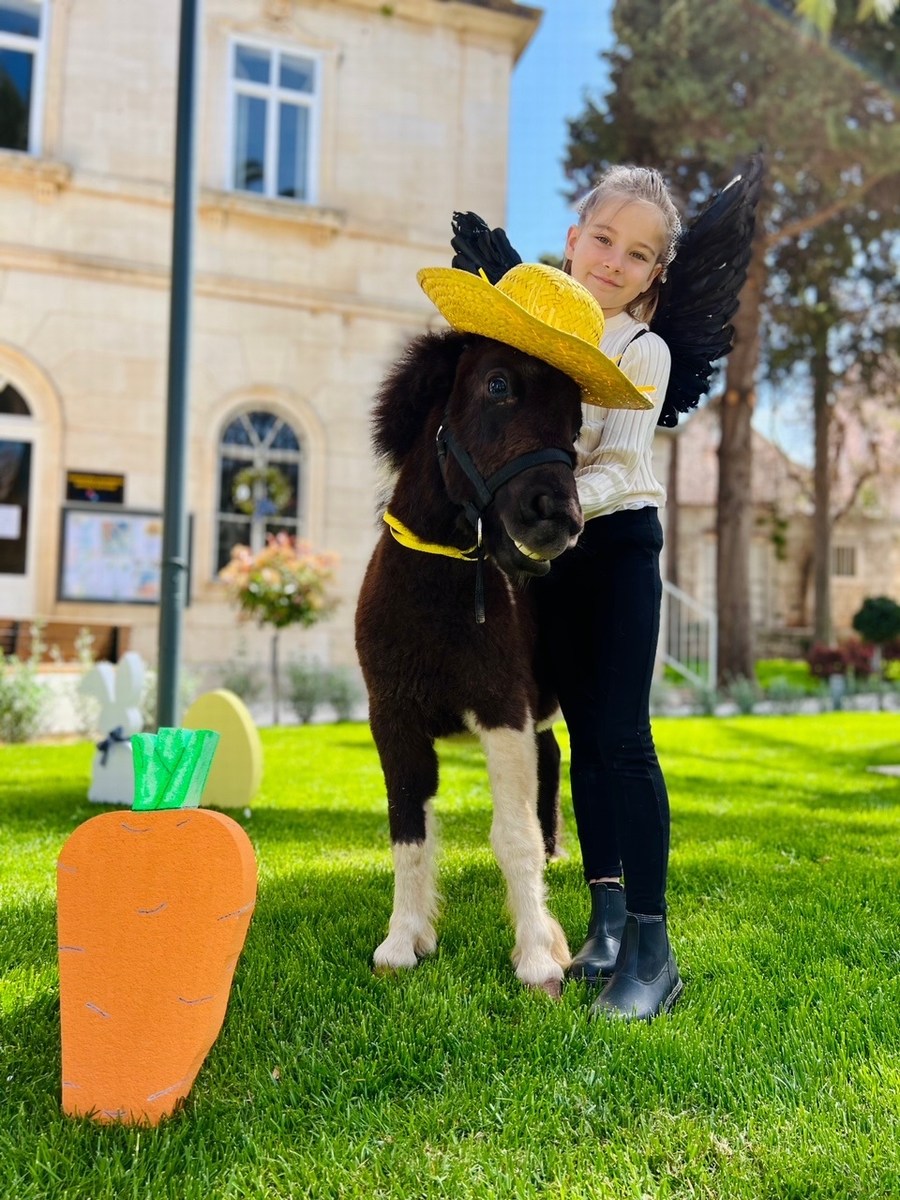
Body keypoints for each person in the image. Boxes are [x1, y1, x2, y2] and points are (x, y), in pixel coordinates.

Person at [536, 165, 684, 1021]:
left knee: (625, 738)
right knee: (584, 738)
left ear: (653, 273)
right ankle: (604, 926)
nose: (615, 262)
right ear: (573, 238)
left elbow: (620, 466)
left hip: (618, 544)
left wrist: (542, 512)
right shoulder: (540, 341)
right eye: (603, 239)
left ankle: (653, 950)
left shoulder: (642, 351)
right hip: (557, 558)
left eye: (639, 254)